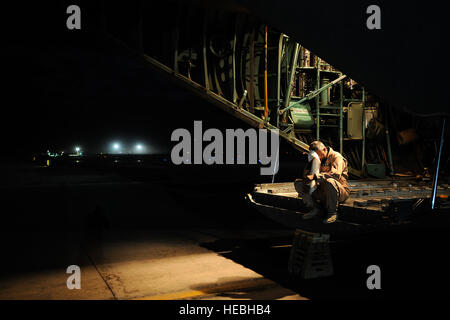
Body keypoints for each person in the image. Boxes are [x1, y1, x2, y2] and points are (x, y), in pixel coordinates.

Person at [294, 141, 350, 224]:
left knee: (330, 181)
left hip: (339, 192)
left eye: (318, 155)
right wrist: (309, 168)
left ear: (324, 149)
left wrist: (315, 176)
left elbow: (336, 175)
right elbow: (306, 177)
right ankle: (315, 209)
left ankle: (332, 213)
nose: (318, 158)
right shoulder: (316, 159)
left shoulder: (336, 157)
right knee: (298, 183)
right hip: (322, 192)